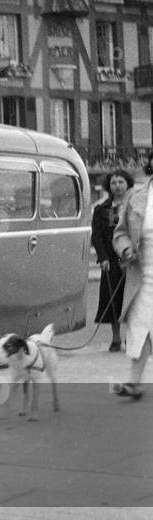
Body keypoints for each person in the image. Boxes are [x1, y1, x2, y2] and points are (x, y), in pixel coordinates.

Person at [112, 155, 153, 398]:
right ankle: (134, 383)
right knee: (139, 326)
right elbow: (120, 233)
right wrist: (126, 249)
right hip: (143, 276)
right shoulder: (135, 195)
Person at [93, 169, 134, 352]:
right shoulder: (102, 210)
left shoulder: (137, 207)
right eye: (113, 183)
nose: (117, 186)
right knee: (113, 300)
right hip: (111, 262)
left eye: (120, 182)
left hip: (132, 260)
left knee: (132, 300)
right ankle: (116, 337)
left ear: (128, 184)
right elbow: (97, 237)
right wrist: (103, 258)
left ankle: (132, 336)